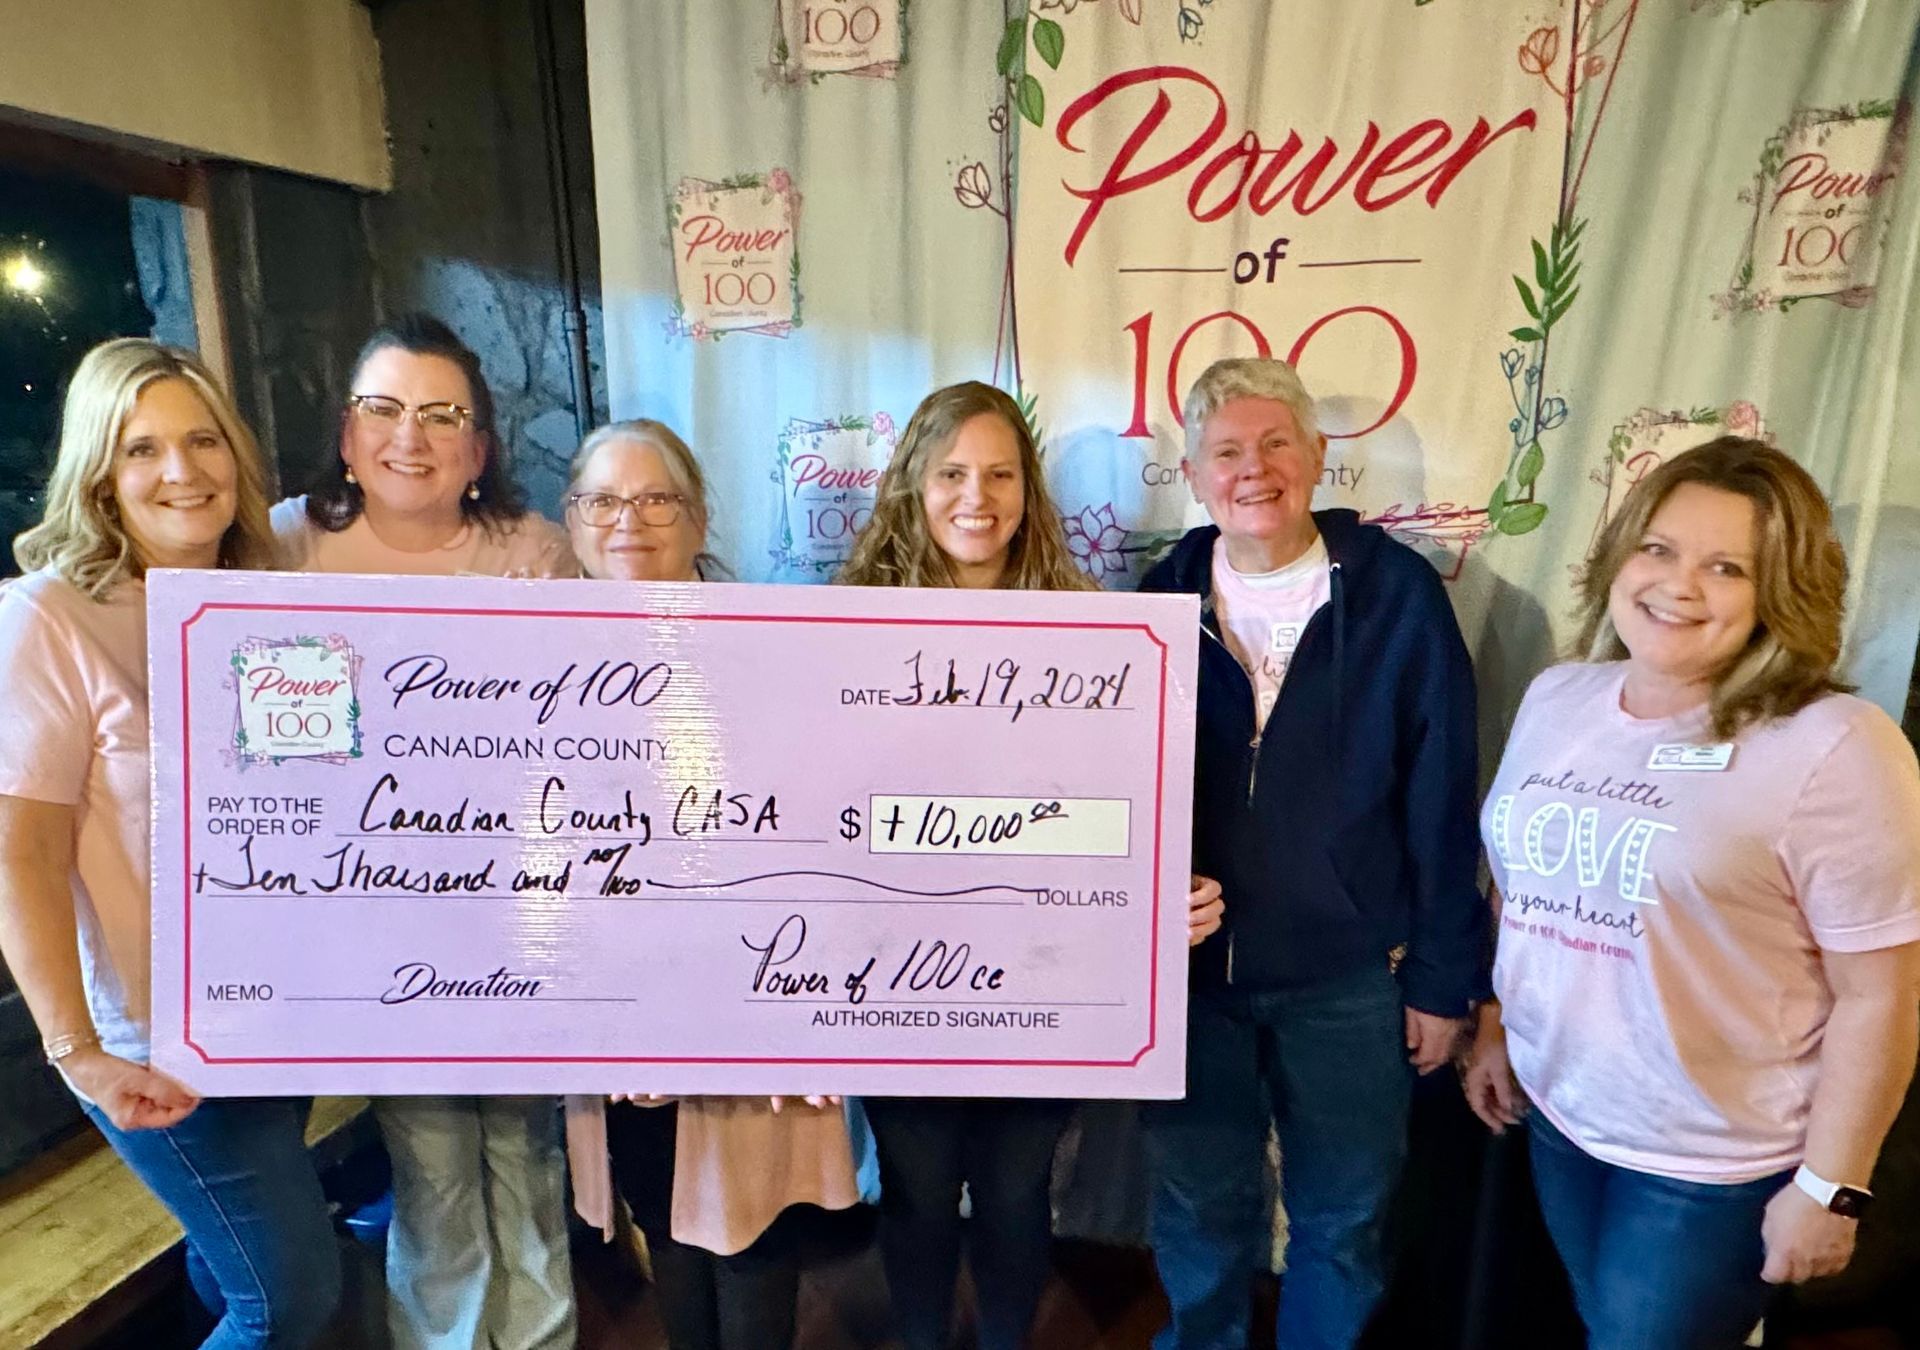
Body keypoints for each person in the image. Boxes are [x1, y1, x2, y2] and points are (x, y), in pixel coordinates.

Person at [1463, 438, 1920, 1350]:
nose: (1679, 585)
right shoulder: (1561, 698)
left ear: (1777, 592)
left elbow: (1883, 994)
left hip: (1711, 1162)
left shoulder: (1836, 746)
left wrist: (1832, 1188)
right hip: (1564, 1117)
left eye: (1727, 567)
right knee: (1603, 1325)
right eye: (1659, 549)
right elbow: (1520, 888)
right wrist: (1496, 1023)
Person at [838, 380, 1226, 1350]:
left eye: (1001, 474)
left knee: (1017, 1190)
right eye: (953, 473)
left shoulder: (1089, 627)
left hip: (1043, 972)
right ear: (912, 487)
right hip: (897, 973)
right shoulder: (846, 626)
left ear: (1027, 490)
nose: (979, 496)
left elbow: (1127, 796)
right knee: (920, 1190)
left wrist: (1154, 897)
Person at [0, 338, 341, 1347]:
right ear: (99, 472)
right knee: (288, 1295)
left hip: (280, 1012)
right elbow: (20, 855)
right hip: (160, 1041)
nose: (182, 471)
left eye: (202, 441)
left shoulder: (272, 606)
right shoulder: (44, 620)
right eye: (142, 448)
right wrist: (78, 1052)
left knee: (230, 1256)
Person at [1139, 357, 1484, 1349]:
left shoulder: (1398, 595)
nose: (1255, 469)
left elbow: (1442, 795)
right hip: (1190, 985)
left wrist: (1444, 977)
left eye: (1276, 443)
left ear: (1319, 455)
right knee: (1200, 1217)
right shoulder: (1155, 595)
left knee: (1343, 1224)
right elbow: (1107, 794)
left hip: (1350, 982)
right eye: (1229, 451)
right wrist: (1137, 903)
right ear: (1195, 474)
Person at [273, 314, 577, 1350]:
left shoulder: (537, 554)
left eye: (444, 414)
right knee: (431, 1161)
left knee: (529, 1157)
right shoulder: (279, 547)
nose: (414, 436)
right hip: (373, 927)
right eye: (386, 409)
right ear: (349, 438)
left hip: (518, 920)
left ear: (479, 449)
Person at [558, 418, 864, 1350]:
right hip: (612, 1016)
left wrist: (802, 1019)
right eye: (604, 500)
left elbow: (824, 841)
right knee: (664, 1214)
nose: (629, 522)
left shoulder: (775, 649)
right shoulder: (529, 655)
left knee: (752, 1228)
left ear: (698, 518)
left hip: (755, 1007)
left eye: (657, 498)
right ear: (571, 518)